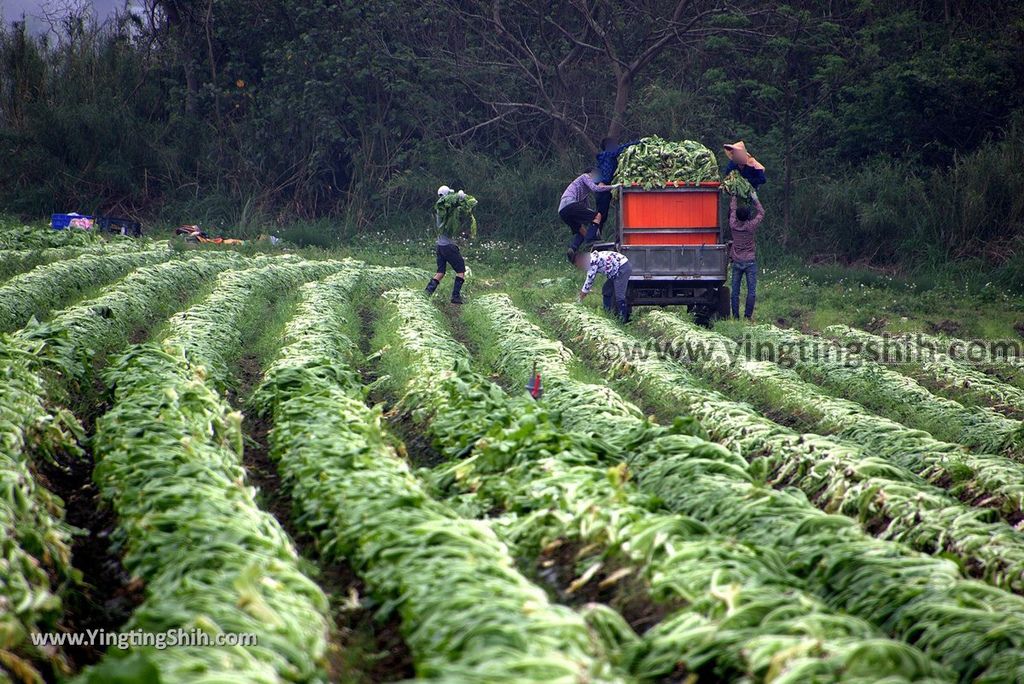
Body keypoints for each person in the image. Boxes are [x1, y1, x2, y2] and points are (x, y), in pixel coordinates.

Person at [425, 185, 471, 304]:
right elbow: (452, 208)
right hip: (448, 247)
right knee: (461, 270)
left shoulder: (439, 208)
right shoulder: (444, 209)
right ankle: (455, 296)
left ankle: (426, 293)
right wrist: (461, 199)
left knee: (440, 272)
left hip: (440, 246)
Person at [560, 168, 617, 262]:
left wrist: (594, 224)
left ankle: (572, 248)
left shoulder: (584, 193)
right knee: (598, 216)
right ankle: (590, 240)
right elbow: (596, 189)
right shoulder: (585, 176)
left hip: (563, 211)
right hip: (569, 204)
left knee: (582, 231)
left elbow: (587, 209)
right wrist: (614, 186)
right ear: (591, 174)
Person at [728, 192, 765, 320]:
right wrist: (755, 199)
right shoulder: (750, 226)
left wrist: (734, 196)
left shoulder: (733, 225)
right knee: (751, 291)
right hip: (750, 261)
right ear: (748, 216)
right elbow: (761, 213)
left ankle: (736, 316)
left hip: (737, 261)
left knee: (735, 292)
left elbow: (732, 210)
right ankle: (747, 316)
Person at [574, 249, 632, 322]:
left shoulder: (592, 261)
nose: (579, 267)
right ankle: (608, 314)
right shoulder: (590, 258)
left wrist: (581, 296)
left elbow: (590, 280)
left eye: (577, 265)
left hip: (622, 267)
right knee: (606, 290)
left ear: (580, 260)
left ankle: (624, 320)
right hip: (615, 271)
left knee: (619, 296)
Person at [594, 137, 638, 229]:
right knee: (601, 214)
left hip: (601, 188)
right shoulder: (609, 153)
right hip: (604, 186)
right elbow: (621, 148)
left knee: (601, 213)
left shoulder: (603, 157)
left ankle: (595, 234)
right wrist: (638, 142)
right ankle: (592, 235)